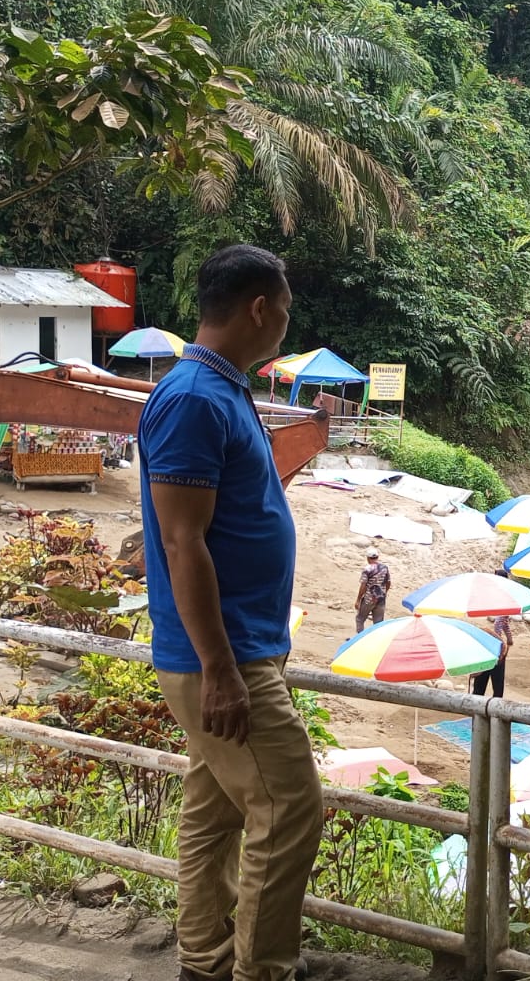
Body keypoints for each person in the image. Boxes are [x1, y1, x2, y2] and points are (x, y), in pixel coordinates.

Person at [139, 245, 322, 981]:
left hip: (241, 647)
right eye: (284, 308)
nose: (285, 320)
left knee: (213, 814)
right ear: (259, 309)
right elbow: (183, 543)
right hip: (224, 655)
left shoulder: (220, 388)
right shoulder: (192, 398)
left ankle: (206, 962)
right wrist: (220, 668)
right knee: (290, 809)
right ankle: (260, 970)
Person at [472, 613, 513, 697]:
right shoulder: (474, 643)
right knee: (478, 688)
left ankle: (496, 704)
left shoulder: (487, 635)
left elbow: (503, 647)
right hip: (486, 654)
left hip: (497, 654)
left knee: (497, 686)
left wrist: (479, 671)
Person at [353, 548, 390, 633]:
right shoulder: (384, 568)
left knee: (360, 619)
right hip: (381, 599)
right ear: (378, 557)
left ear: (368, 558)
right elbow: (388, 582)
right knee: (378, 623)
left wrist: (358, 600)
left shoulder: (367, 569)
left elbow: (363, 585)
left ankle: (360, 639)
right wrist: (384, 593)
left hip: (369, 599)